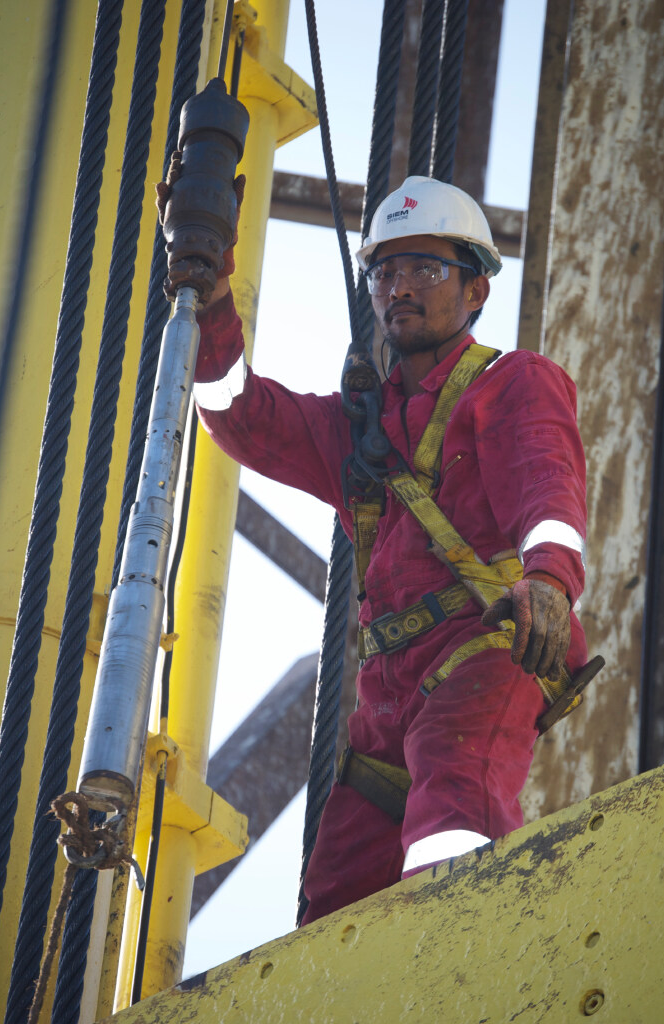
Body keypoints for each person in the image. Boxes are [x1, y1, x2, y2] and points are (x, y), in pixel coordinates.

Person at [189, 175, 588, 925]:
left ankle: (458, 974)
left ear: (474, 291)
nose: (398, 287)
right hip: (386, 693)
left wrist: (548, 580)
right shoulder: (358, 429)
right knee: (334, 894)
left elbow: (546, 482)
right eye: (384, 271)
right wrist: (209, 292)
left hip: (490, 642)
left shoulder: (509, 382)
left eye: (425, 269)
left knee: (453, 806)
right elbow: (234, 411)